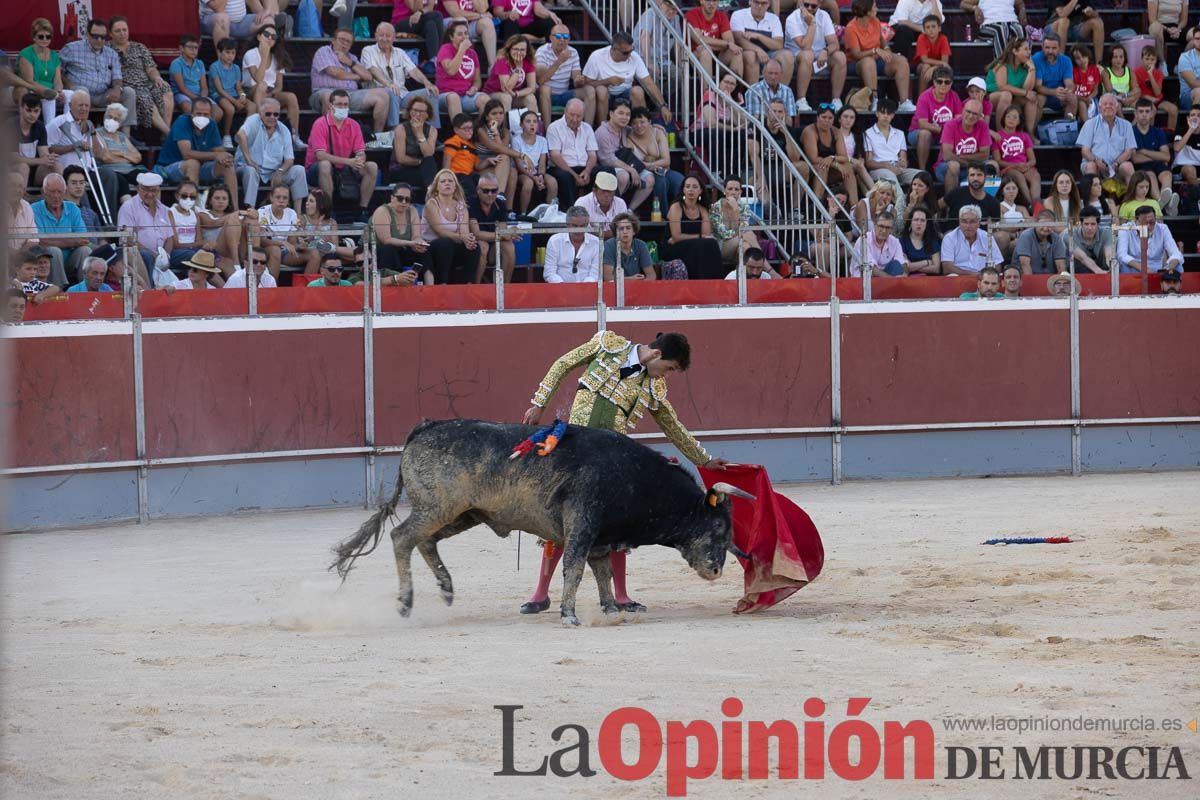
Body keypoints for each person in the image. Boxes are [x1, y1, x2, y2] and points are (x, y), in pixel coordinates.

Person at [518, 329, 729, 615]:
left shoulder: (654, 388)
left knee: (618, 525)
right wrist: (539, 402)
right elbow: (563, 363)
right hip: (575, 453)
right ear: (656, 354)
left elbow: (672, 425)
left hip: (612, 464)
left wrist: (702, 459)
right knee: (559, 523)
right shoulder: (607, 345)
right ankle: (540, 593)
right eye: (668, 368)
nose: (665, 376)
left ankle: (621, 595)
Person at [58, 18, 136, 136]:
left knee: (129, 92)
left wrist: (116, 89)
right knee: (82, 91)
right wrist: (68, 84)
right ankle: (79, 134)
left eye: (103, 37)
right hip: (80, 92)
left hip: (104, 95)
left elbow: (117, 77)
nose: (99, 40)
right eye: (95, 36)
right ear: (87, 35)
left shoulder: (111, 53)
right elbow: (57, 69)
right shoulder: (71, 49)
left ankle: (125, 137)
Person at [47, 91, 120, 216]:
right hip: (70, 173)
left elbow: (99, 153)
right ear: (70, 105)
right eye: (80, 105)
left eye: (87, 106)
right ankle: (89, 224)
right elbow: (49, 148)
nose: (84, 108)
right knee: (79, 185)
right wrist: (73, 147)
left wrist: (92, 132)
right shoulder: (59, 122)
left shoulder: (88, 124)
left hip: (88, 170)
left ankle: (109, 219)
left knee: (109, 175)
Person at [305, 89, 378, 211]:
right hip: (316, 170)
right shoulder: (320, 124)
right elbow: (320, 155)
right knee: (325, 165)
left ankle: (362, 210)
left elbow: (361, 152)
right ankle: (327, 209)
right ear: (330, 106)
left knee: (372, 167)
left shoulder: (354, 125)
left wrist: (359, 160)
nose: (343, 108)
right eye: (339, 104)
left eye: (345, 105)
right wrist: (348, 161)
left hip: (343, 168)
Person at [309, 29, 391, 136]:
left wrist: (349, 62)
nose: (344, 43)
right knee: (330, 96)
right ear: (333, 41)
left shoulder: (352, 58)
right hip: (324, 92)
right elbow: (336, 73)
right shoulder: (324, 51)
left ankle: (378, 137)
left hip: (350, 94)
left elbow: (368, 76)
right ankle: (331, 136)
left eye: (348, 42)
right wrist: (357, 77)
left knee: (383, 94)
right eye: (342, 39)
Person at [154, 97, 240, 200]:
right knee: (193, 163)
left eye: (206, 114)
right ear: (192, 113)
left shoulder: (211, 124)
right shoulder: (182, 122)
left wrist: (225, 157)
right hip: (172, 166)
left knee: (228, 165)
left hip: (200, 167)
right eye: (199, 113)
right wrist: (216, 155)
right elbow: (186, 154)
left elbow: (219, 150)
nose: (202, 117)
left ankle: (234, 210)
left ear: (210, 115)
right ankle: (192, 211)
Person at [362, 21, 440, 133]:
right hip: (381, 95)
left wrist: (427, 82)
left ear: (394, 38)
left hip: (403, 95)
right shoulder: (368, 50)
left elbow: (413, 70)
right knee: (391, 91)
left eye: (388, 36)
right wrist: (388, 84)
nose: (384, 39)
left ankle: (432, 133)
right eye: (381, 35)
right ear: (375, 36)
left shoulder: (400, 52)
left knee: (431, 92)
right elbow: (373, 70)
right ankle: (394, 131)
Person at [582, 32, 671, 129]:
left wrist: (663, 106)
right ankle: (603, 130)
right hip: (605, 96)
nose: (629, 55)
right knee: (601, 90)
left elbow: (649, 83)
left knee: (638, 91)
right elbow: (587, 83)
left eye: (631, 50)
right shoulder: (597, 56)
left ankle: (642, 128)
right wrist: (607, 81)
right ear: (614, 49)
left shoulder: (634, 57)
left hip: (625, 95)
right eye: (625, 53)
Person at [842, 0, 916, 114]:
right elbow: (856, 54)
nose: (877, 9)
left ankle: (904, 101)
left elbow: (881, 40)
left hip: (876, 59)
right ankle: (874, 101)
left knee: (901, 61)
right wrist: (875, 50)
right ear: (867, 11)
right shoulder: (851, 28)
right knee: (868, 61)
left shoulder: (875, 21)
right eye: (875, 7)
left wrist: (886, 50)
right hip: (856, 63)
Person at [234, 97, 306, 211]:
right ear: (261, 113)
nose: (272, 117)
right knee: (250, 170)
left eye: (276, 114)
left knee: (299, 170)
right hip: (246, 167)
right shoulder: (254, 120)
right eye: (268, 114)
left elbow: (289, 159)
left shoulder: (284, 130)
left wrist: (280, 171)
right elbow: (240, 135)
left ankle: (298, 214)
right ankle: (250, 210)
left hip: (273, 172)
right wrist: (249, 160)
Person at [242, 23, 304, 150]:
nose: (270, 38)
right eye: (266, 35)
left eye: (273, 37)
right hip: (251, 90)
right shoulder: (251, 54)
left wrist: (271, 95)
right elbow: (258, 79)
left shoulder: (277, 57)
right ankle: (260, 127)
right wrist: (264, 56)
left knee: (291, 97)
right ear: (259, 37)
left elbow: (279, 85)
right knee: (262, 85)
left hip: (270, 92)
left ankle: (295, 136)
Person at [786, 0, 847, 113]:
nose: (809, 8)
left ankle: (836, 100)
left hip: (819, 59)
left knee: (840, 56)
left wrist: (825, 51)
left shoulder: (824, 16)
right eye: (806, 5)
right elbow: (805, 46)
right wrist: (812, 24)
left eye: (813, 6)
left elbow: (835, 43)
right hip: (796, 59)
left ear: (819, 5)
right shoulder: (792, 19)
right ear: (801, 3)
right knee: (808, 55)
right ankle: (801, 100)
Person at [594, 100, 653, 213]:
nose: (624, 117)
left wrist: (657, 130)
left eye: (627, 114)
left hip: (626, 164)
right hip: (606, 168)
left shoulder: (626, 130)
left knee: (649, 179)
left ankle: (628, 211)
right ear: (611, 114)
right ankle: (613, 211)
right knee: (623, 176)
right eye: (620, 113)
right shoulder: (602, 132)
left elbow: (643, 129)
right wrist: (630, 169)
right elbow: (607, 160)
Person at [31, 173, 90, 285]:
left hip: (70, 259)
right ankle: (59, 289)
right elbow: (39, 241)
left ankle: (85, 288)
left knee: (85, 250)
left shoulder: (73, 208)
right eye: (52, 192)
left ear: (65, 192)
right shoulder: (34, 209)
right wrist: (72, 241)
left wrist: (56, 241)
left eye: (60, 192)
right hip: (46, 260)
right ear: (44, 193)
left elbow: (83, 239)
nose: (56, 196)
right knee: (54, 251)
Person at [422, 168, 476, 284]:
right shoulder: (431, 204)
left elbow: (464, 230)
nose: (447, 183)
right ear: (436, 187)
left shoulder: (461, 206)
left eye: (450, 181)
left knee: (474, 247)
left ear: (455, 186)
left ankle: (469, 284)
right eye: (443, 181)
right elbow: (440, 231)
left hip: (451, 246)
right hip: (431, 247)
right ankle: (443, 283)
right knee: (445, 243)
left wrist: (468, 240)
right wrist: (462, 237)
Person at [116, 172, 170, 286]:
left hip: (162, 254)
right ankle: (150, 290)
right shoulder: (128, 207)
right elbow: (127, 238)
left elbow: (170, 237)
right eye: (145, 190)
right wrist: (155, 255)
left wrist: (166, 256)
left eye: (153, 190)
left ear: (158, 191)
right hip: (141, 252)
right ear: (138, 189)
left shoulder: (164, 209)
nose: (150, 194)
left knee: (189, 255)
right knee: (146, 255)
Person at [666, 175, 724, 280]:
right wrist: (699, 236)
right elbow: (676, 237)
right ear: (683, 190)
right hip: (674, 247)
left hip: (695, 245)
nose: (690, 190)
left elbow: (706, 236)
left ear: (700, 190)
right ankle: (703, 282)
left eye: (694, 187)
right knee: (701, 246)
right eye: (687, 186)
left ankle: (716, 283)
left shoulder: (703, 209)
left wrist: (700, 237)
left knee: (711, 244)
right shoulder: (676, 207)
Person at [626, 106, 681, 213]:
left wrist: (647, 164)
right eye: (634, 123)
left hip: (664, 170)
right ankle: (664, 216)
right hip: (646, 173)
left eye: (642, 122)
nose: (639, 126)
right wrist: (653, 164)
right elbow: (636, 164)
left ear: (649, 122)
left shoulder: (658, 132)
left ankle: (683, 214)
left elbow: (666, 161)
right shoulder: (629, 138)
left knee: (681, 182)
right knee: (660, 181)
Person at [547, 98, 599, 210]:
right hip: (563, 167)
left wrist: (588, 171)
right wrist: (575, 175)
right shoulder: (554, 127)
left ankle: (602, 211)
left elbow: (592, 155)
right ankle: (570, 213)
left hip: (584, 168)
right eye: (572, 115)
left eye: (579, 116)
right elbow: (555, 156)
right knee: (566, 177)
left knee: (606, 172)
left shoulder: (587, 128)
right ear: (565, 112)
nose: (575, 119)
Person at [371, 183, 430, 281]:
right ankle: (394, 281)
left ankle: (430, 285)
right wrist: (411, 243)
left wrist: (419, 243)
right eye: (400, 198)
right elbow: (386, 240)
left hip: (402, 249)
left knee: (424, 251)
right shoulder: (382, 211)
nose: (403, 202)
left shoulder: (412, 210)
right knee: (388, 249)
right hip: (378, 250)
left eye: (407, 200)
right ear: (392, 198)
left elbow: (416, 236)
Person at [535, 24, 591, 126]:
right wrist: (559, 61)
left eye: (565, 37)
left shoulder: (573, 52)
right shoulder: (542, 51)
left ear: (569, 39)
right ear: (551, 38)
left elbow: (576, 80)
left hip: (564, 94)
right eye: (558, 36)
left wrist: (579, 80)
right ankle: (548, 130)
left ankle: (586, 129)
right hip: (547, 95)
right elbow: (540, 81)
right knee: (545, 88)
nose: (562, 40)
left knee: (589, 90)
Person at [802, 103, 857, 205]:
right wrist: (835, 164)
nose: (827, 121)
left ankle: (854, 206)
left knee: (847, 168)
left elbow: (844, 157)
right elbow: (813, 158)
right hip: (811, 168)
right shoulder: (810, 131)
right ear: (817, 117)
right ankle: (817, 205)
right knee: (823, 167)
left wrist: (832, 158)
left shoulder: (836, 132)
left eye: (830, 118)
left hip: (829, 167)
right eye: (824, 117)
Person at [436, 20, 491, 123]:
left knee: (485, 99)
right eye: (460, 34)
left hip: (465, 96)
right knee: (454, 97)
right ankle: (460, 135)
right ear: (452, 37)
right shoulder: (445, 49)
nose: (464, 37)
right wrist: (461, 50)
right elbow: (451, 71)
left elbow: (477, 80)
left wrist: (474, 88)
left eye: (466, 33)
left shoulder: (472, 53)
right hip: (446, 95)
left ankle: (480, 131)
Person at [909, 66, 961, 172]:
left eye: (947, 82)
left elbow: (959, 118)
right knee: (925, 133)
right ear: (934, 82)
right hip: (918, 133)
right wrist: (944, 130)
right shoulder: (924, 97)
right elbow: (922, 124)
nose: (943, 85)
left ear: (951, 83)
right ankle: (922, 171)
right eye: (939, 81)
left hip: (944, 134)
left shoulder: (954, 96)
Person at [936, 99, 993, 193]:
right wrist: (969, 163)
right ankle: (952, 204)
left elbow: (985, 154)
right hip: (946, 167)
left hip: (972, 168)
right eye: (968, 111)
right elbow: (947, 156)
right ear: (962, 111)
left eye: (975, 114)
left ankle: (987, 203)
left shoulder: (983, 126)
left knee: (992, 165)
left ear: (980, 116)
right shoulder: (950, 125)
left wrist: (963, 157)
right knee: (954, 165)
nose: (970, 116)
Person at [731, 0, 793, 86]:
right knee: (751, 55)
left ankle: (780, 95)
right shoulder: (738, 15)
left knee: (787, 56)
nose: (760, 6)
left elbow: (779, 45)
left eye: (764, 3)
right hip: (747, 53)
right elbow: (738, 39)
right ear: (750, 2)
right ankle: (754, 96)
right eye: (756, 2)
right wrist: (758, 50)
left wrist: (759, 36)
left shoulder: (774, 18)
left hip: (769, 55)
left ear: (769, 4)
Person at [1078, 94, 1137, 183]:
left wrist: (1116, 163)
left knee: (1128, 167)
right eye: (1105, 104)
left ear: (1117, 108)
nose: (1108, 106)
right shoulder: (1090, 124)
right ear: (1100, 108)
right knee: (1091, 166)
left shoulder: (1127, 125)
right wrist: (1097, 161)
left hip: (1117, 166)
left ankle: (1131, 197)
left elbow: (1129, 151)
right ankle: (1091, 196)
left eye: (1111, 104)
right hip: (1095, 163)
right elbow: (1085, 151)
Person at [474, 99, 525, 202]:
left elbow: (502, 150)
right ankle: (498, 197)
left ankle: (508, 210)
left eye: (501, 113)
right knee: (505, 158)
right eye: (494, 114)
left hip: (498, 163)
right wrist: (521, 155)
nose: (498, 116)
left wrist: (496, 132)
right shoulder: (481, 130)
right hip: (482, 163)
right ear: (487, 116)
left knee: (513, 172)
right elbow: (496, 148)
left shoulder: (505, 132)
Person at [469, 172, 516, 284]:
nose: (490, 194)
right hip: (473, 246)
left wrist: (506, 235)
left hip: (494, 247)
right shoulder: (471, 203)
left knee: (509, 246)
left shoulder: (501, 204)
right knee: (483, 246)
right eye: (486, 191)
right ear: (478, 190)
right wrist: (503, 235)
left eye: (494, 190)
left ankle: (505, 288)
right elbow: (476, 234)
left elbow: (502, 231)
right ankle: (476, 288)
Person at [986, 37, 1038, 138]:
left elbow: (1027, 89)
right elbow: (1002, 86)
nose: (1029, 52)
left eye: (1029, 49)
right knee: (1006, 95)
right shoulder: (1001, 65)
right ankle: (1002, 134)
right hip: (992, 98)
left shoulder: (1024, 69)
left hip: (1012, 98)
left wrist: (1032, 69)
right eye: (1026, 49)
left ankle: (1030, 134)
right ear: (1015, 51)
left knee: (1032, 98)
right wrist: (1025, 93)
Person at [390, 94, 439, 198]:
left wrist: (419, 133)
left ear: (427, 114)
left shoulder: (432, 130)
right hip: (401, 170)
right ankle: (432, 196)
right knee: (429, 166)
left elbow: (429, 154)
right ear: (409, 111)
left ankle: (431, 195)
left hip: (423, 170)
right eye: (415, 110)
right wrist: (420, 162)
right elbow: (401, 158)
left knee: (430, 162)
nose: (417, 114)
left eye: (421, 112)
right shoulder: (401, 129)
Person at [17, 18, 64, 125]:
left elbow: (57, 81)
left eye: (48, 36)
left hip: (50, 93)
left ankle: (65, 129)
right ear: (34, 37)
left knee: (71, 95)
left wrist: (59, 91)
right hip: (32, 89)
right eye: (41, 36)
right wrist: (49, 92)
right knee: (49, 96)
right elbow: (29, 81)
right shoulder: (26, 54)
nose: (44, 39)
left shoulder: (54, 56)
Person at [210, 37, 254, 148]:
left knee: (253, 106)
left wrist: (242, 96)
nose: (230, 55)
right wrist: (235, 101)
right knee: (230, 108)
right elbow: (219, 89)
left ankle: (243, 134)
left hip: (234, 95)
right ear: (220, 52)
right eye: (227, 52)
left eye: (233, 53)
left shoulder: (236, 68)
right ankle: (227, 136)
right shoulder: (214, 67)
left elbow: (238, 87)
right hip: (219, 95)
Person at [685, 0, 746, 80]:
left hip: (718, 57)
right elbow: (699, 39)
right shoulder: (691, 14)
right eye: (708, 0)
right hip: (696, 58)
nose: (712, 4)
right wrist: (726, 44)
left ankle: (735, 91)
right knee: (706, 51)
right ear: (701, 1)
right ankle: (708, 91)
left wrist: (726, 44)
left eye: (715, 1)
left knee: (736, 52)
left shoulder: (722, 16)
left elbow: (730, 41)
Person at [992, 105, 1039, 206]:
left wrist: (1027, 165)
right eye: (1008, 116)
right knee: (1018, 176)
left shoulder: (1024, 136)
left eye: (1015, 117)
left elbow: (1033, 160)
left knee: (1035, 176)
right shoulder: (998, 136)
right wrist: (1014, 166)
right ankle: (1031, 205)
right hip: (1008, 168)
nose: (1011, 119)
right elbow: (997, 161)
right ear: (1004, 118)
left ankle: (1037, 204)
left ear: (1019, 121)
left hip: (1023, 166)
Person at [1117, 205, 1183, 274]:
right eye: (1144, 223)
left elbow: (1175, 253)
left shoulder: (1163, 228)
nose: (1148, 226)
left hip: (1157, 269)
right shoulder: (1125, 229)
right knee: (1124, 266)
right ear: (1136, 220)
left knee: (1178, 266)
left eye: (1151, 222)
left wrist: (1169, 267)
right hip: (1135, 268)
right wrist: (1143, 268)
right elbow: (1122, 255)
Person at [170, 34, 221, 124]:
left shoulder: (200, 63)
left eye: (196, 48)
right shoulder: (176, 63)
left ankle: (204, 133)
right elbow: (182, 88)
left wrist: (202, 98)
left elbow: (204, 87)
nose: (194, 51)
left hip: (199, 95)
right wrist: (197, 99)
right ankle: (194, 133)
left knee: (218, 113)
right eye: (190, 47)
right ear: (181, 48)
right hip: (182, 95)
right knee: (188, 108)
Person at [482, 35, 538, 116]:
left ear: (527, 51)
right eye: (515, 49)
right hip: (493, 94)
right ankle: (504, 127)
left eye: (522, 50)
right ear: (509, 49)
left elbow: (532, 88)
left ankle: (533, 126)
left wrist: (517, 94)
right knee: (506, 97)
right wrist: (518, 68)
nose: (519, 52)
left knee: (530, 98)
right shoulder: (502, 61)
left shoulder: (528, 61)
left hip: (513, 95)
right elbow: (506, 88)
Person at [542, 206, 601, 283]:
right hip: (560, 290)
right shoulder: (554, 241)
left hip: (588, 290)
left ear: (587, 225)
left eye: (582, 226)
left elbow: (595, 274)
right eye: (575, 226)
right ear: (567, 225)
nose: (579, 230)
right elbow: (549, 273)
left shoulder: (596, 242)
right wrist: (565, 288)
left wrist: (583, 289)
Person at [512, 110, 556, 213]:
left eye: (535, 121)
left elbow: (542, 164)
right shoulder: (516, 140)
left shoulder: (542, 140)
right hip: (523, 172)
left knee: (552, 182)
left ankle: (549, 213)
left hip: (537, 171)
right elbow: (519, 166)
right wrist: (533, 177)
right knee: (528, 183)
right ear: (521, 125)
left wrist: (540, 175)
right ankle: (523, 213)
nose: (532, 124)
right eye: (528, 121)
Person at [941, 204, 1004, 275]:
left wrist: (985, 275)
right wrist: (973, 275)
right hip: (959, 277)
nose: (968, 226)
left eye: (972, 222)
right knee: (952, 275)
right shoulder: (950, 238)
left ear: (979, 223)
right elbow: (947, 268)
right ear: (959, 222)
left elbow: (997, 264)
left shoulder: (987, 237)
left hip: (983, 278)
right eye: (964, 221)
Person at [710, 176, 760, 265]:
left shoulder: (744, 208)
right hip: (720, 247)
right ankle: (767, 268)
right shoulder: (715, 207)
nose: (733, 192)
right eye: (730, 189)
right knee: (748, 234)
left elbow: (743, 229)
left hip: (737, 246)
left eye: (736, 189)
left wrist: (736, 210)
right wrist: (736, 211)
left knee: (745, 246)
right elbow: (722, 234)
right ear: (724, 191)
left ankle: (745, 276)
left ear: (740, 192)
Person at [196, 185, 244, 275]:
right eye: (217, 198)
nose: (221, 201)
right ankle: (236, 262)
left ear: (228, 201)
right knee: (232, 221)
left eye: (224, 198)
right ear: (210, 200)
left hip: (233, 249)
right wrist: (237, 214)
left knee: (250, 221)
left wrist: (252, 214)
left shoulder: (233, 216)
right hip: (215, 250)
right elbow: (213, 223)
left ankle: (251, 258)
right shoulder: (203, 214)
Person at [11, 92, 56, 189]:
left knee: (56, 165)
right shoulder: (10, 126)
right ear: (21, 109)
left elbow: (44, 153)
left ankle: (53, 199)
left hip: (34, 171)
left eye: (36, 111)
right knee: (23, 167)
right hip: (11, 171)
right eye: (29, 110)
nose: (32, 115)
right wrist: (40, 160)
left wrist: (49, 158)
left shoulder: (40, 126)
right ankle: (22, 197)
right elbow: (14, 158)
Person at [254, 184, 300, 276]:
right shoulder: (262, 212)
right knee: (276, 250)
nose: (281, 201)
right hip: (268, 250)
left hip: (285, 252)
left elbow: (292, 242)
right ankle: (272, 289)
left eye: (285, 198)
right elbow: (263, 241)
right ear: (271, 198)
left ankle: (309, 289)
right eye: (278, 197)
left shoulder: (292, 213)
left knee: (313, 254)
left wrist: (299, 245)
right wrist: (282, 243)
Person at [959, 0, 1027, 61]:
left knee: (1021, 29)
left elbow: (1020, 3)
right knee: (1002, 30)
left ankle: (1023, 68)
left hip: (1011, 23)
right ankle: (1001, 67)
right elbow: (963, 4)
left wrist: (1022, 10)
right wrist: (975, 8)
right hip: (989, 25)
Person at [440, 0, 499, 68]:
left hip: (472, 21)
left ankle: (492, 66)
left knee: (487, 23)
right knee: (461, 20)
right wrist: (480, 15)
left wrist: (480, 13)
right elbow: (455, 13)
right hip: (450, 22)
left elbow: (483, 9)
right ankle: (463, 63)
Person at [1045, 0, 1104, 67]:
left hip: (1075, 27)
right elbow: (1062, 14)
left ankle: (1099, 65)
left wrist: (1091, 12)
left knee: (1098, 22)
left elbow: (1096, 14)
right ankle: (1059, 63)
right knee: (1064, 21)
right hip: (1054, 27)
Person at [1134, 46, 1179, 132]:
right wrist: (1147, 97)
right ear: (1142, 59)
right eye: (1147, 59)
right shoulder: (1136, 72)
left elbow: (1158, 92)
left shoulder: (1159, 74)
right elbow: (1136, 91)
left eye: (1152, 59)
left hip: (1157, 99)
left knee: (1173, 109)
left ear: (1156, 61)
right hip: (1143, 99)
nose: (1149, 62)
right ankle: (1149, 135)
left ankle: (1169, 135)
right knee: (1151, 110)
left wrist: (1150, 75)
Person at [745, 58, 797, 127]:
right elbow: (756, 118)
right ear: (763, 73)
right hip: (761, 131)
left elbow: (789, 119)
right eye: (770, 73)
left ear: (781, 74)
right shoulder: (754, 90)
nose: (773, 77)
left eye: (776, 74)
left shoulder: (787, 91)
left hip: (782, 129)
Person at [1013, 209, 1067, 275]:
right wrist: (1032, 282)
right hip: (1026, 278)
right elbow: (1025, 265)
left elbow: (1060, 266)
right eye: (1042, 224)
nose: (1045, 228)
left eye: (1049, 225)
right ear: (1036, 223)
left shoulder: (1057, 239)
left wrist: (1060, 282)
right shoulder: (1026, 236)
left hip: (1049, 279)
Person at [604, 212, 655, 281]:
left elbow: (651, 275)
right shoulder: (608, 245)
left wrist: (643, 285)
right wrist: (630, 279)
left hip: (636, 287)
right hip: (614, 288)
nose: (625, 231)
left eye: (628, 228)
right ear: (616, 232)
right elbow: (607, 277)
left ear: (634, 231)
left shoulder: (641, 245)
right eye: (621, 229)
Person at [854, 210, 907, 277]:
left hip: (886, 279)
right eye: (881, 226)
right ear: (875, 225)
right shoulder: (864, 239)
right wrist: (892, 280)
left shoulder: (895, 241)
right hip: (864, 280)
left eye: (888, 228)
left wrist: (905, 274)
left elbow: (902, 263)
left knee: (896, 265)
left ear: (892, 229)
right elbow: (871, 269)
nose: (884, 230)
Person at [910, 13, 950, 97]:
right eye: (927, 27)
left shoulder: (943, 38)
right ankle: (921, 99)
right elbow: (924, 59)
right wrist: (934, 66)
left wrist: (934, 68)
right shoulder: (921, 37)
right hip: (920, 65)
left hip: (937, 66)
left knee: (946, 69)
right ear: (924, 30)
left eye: (933, 26)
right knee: (925, 66)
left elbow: (945, 62)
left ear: (939, 28)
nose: (931, 30)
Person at [1149, 0, 1189, 73]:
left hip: (1176, 27)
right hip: (1160, 25)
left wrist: (1178, 29)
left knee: (1195, 35)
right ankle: (1162, 63)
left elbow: (1184, 20)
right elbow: (1152, 20)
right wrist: (1167, 29)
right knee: (1155, 28)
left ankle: (1180, 64)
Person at [899, 204, 941, 274]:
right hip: (909, 281)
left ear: (926, 223)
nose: (919, 223)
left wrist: (914, 267)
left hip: (929, 281)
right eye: (916, 220)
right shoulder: (902, 241)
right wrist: (927, 262)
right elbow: (907, 267)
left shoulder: (933, 241)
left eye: (922, 220)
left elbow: (936, 269)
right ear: (910, 222)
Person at [1070, 206, 1113, 274]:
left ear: (1098, 224)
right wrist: (1099, 272)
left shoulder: (1106, 232)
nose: (1089, 228)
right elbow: (1083, 258)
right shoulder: (1071, 235)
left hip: (1102, 269)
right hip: (1078, 273)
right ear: (1080, 224)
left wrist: (1112, 270)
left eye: (1093, 224)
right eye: (1086, 224)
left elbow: (1109, 255)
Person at [1101, 45, 1138, 112]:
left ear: (1124, 58)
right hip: (1112, 99)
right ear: (1110, 58)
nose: (1119, 59)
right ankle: (1123, 122)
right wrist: (1123, 99)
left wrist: (1128, 97)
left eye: (1121, 57)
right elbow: (1111, 91)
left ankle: (1135, 122)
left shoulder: (1130, 71)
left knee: (1143, 105)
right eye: (1115, 57)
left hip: (1127, 98)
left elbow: (1136, 90)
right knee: (1117, 105)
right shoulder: (1105, 72)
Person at [1072, 45, 1101, 123]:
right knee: (1081, 104)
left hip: (1091, 98)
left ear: (1088, 56)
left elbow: (1096, 90)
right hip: (1078, 99)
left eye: (1084, 56)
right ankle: (1087, 126)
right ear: (1074, 60)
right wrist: (1084, 99)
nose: (1081, 60)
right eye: (1078, 58)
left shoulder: (1094, 70)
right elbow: (1072, 92)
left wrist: (1089, 97)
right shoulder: (1073, 72)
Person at [1173, 105, 1200, 187]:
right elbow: (1177, 148)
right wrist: (1191, 130)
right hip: (1183, 167)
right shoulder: (1181, 131)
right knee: (1190, 170)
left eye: (1199, 115)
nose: (1195, 118)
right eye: (1193, 115)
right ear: (1188, 118)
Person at [1177, 26, 1200, 112]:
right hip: (1188, 97)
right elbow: (1193, 83)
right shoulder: (1185, 57)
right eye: (1197, 39)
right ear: (1193, 40)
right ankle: (1196, 124)